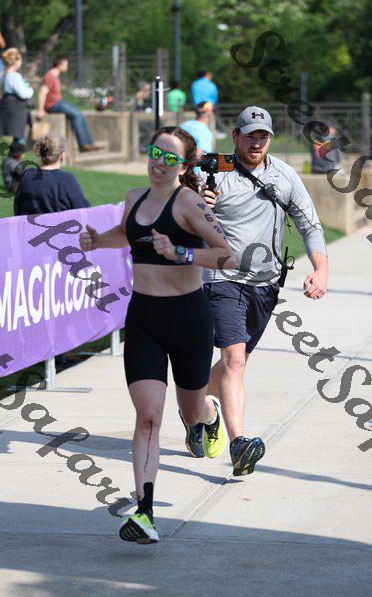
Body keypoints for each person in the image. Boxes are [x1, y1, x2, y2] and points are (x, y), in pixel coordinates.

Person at [79, 126, 236, 544]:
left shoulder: (189, 203)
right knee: (148, 416)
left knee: (191, 410)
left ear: (183, 166)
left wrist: (181, 252)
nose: (158, 163)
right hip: (144, 318)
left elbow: (228, 256)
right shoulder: (134, 197)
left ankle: (209, 415)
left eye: (170, 158)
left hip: (189, 320)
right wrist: (97, 241)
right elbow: (128, 234)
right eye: (154, 153)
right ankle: (145, 512)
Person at [180, 106, 329, 476]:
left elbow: (309, 225)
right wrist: (199, 204)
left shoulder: (284, 175)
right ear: (235, 136)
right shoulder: (215, 171)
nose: (257, 143)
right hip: (222, 278)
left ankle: (196, 407)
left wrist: (321, 268)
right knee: (233, 360)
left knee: (235, 363)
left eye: (263, 136)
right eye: (250, 136)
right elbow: (181, 215)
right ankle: (239, 444)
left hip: (266, 283)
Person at [14, 133, 90, 215]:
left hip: (30, 223)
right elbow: (83, 210)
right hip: (61, 223)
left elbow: (18, 209)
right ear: (62, 155)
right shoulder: (66, 179)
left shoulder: (26, 176)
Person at [37, 55, 100, 152]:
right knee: (76, 115)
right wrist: (41, 110)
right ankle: (83, 144)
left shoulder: (55, 76)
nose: (67, 67)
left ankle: (89, 142)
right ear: (59, 65)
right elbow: (42, 92)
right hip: (53, 105)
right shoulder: (50, 76)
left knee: (79, 113)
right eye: (66, 64)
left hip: (58, 102)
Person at [0, 48, 34, 142]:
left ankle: (9, 150)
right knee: (18, 135)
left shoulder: (3, 74)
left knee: (9, 135)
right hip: (17, 108)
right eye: (20, 59)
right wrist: (31, 90)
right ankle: (16, 151)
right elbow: (23, 94)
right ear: (16, 61)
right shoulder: (14, 76)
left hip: (7, 105)